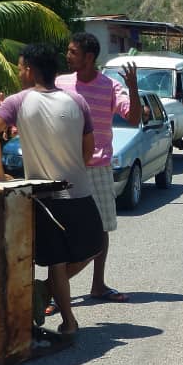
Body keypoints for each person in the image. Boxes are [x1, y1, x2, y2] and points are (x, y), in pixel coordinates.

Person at [0, 43, 102, 336]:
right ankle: (68, 320)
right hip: (79, 190)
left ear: (30, 70)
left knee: (58, 260)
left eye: (20, 66)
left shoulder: (17, 101)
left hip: (44, 197)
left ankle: (48, 297)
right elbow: (89, 151)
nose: (19, 71)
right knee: (92, 246)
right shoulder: (77, 101)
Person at [54, 32, 140, 303]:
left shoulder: (110, 87)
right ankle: (55, 292)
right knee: (62, 229)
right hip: (65, 167)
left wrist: (134, 87)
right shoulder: (60, 83)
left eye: (73, 52)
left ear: (88, 57)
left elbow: (134, 117)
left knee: (101, 228)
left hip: (99, 167)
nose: (67, 56)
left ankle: (98, 285)